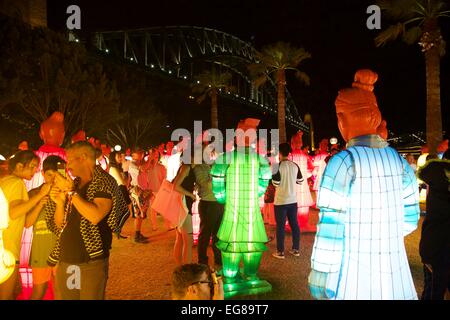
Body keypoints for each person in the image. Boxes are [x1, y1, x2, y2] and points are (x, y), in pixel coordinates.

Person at [308, 69, 420, 300]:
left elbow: (331, 222)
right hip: (394, 269)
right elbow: (410, 217)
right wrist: (384, 234)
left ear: (342, 120)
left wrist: (320, 270)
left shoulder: (343, 162)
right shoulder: (398, 160)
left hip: (355, 271)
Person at [45, 141, 128, 300]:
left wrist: (71, 192)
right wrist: (60, 203)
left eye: (70, 160)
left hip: (91, 262)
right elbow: (59, 224)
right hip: (67, 259)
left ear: (83, 157)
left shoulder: (104, 181)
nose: (67, 165)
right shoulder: (74, 183)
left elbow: (95, 215)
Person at [211, 118, 271, 290]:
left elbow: (217, 180)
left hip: (235, 207)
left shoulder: (228, 158)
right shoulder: (259, 159)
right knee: (250, 241)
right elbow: (264, 180)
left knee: (233, 242)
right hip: (249, 209)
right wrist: (255, 194)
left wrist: (222, 197)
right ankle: (249, 275)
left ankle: (234, 277)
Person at [0, 150, 50, 300]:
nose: (35, 171)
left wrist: (39, 203)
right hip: (8, 250)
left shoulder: (5, 181)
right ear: (20, 166)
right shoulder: (17, 183)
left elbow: (26, 222)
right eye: (33, 166)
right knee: (6, 295)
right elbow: (14, 213)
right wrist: (40, 195)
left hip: (5, 245)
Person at [25, 156, 63, 300]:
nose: (53, 180)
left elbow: (62, 224)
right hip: (41, 251)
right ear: (42, 173)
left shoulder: (68, 194)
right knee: (39, 291)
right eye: (49, 175)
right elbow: (27, 223)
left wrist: (60, 200)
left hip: (64, 252)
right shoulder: (34, 193)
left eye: (57, 175)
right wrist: (40, 201)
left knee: (65, 292)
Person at [417, 149, 450, 300]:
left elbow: (423, 172)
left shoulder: (434, 174)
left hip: (434, 246)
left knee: (433, 292)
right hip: (438, 246)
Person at [193, 144, 224, 267]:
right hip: (207, 203)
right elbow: (207, 185)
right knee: (205, 233)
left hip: (219, 202)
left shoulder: (216, 165)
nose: (211, 154)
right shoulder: (199, 168)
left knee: (218, 234)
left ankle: (218, 258)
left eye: (212, 152)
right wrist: (218, 178)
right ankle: (202, 260)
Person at [271, 143, 303, 259]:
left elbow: (275, 183)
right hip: (293, 200)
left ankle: (280, 252)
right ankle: (296, 249)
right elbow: (300, 180)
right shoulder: (294, 165)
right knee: (294, 225)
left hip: (280, 201)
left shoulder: (276, 166)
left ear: (279, 153)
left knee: (280, 226)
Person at [172, 148, 197, 265]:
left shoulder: (185, 167)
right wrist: (190, 194)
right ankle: (187, 270)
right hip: (184, 206)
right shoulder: (186, 167)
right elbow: (176, 186)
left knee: (180, 238)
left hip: (180, 205)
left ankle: (179, 267)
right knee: (188, 241)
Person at [128, 148, 150, 243]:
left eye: (141, 152)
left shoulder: (141, 163)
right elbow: (143, 169)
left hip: (141, 190)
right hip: (137, 190)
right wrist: (151, 158)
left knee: (142, 213)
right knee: (138, 213)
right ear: (133, 155)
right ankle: (137, 235)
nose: (141, 154)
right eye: (139, 152)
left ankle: (138, 233)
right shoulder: (133, 164)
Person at [108, 151, 131, 239]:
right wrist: (125, 178)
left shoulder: (118, 168)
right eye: (118, 157)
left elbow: (124, 180)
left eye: (120, 156)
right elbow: (122, 181)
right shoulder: (113, 168)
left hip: (122, 189)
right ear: (113, 158)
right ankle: (116, 229)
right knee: (125, 212)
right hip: (120, 190)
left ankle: (117, 229)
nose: (121, 158)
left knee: (125, 211)